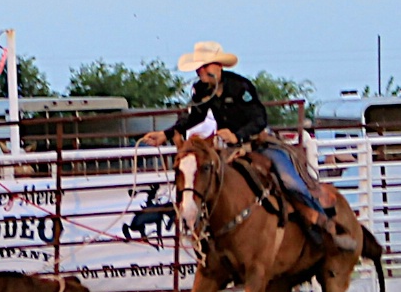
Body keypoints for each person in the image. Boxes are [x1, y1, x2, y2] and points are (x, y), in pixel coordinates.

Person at [143, 41, 356, 252]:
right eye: (199, 67)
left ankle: (321, 226)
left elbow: (259, 119)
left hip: (259, 143)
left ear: (219, 66)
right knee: (208, 182)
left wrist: (236, 135)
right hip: (230, 149)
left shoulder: (240, 87)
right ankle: (211, 239)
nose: (201, 71)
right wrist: (166, 134)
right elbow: (194, 115)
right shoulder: (201, 91)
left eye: (206, 66)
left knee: (290, 180)